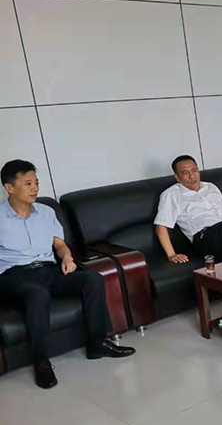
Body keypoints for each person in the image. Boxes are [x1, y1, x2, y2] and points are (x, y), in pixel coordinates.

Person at [0, 160, 135, 389]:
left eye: (36, 183)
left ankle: (97, 344)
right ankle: (41, 360)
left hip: (48, 270)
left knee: (92, 279)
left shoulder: (46, 212)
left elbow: (60, 244)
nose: (35, 188)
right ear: (9, 187)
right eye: (28, 183)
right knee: (37, 294)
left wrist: (67, 258)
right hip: (13, 275)